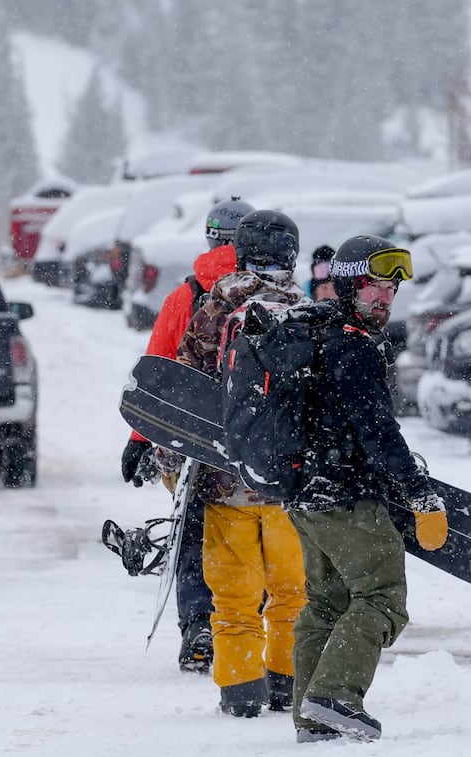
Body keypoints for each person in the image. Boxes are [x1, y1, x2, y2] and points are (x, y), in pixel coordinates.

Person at [285, 234, 448, 743]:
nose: (385, 297)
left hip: (304, 495)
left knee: (327, 603)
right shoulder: (352, 347)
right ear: (351, 283)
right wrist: (418, 492)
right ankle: (335, 696)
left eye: (392, 289)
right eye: (375, 285)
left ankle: (312, 716)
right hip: (345, 497)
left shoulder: (316, 334)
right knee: (382, 598)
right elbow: (378, 432)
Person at [162, 209, 309, 718]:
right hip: (288, 486)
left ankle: (241, 693)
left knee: (234, 601)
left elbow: (183, 388)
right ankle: (287, 685)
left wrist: (168, 460)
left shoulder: (214, 307)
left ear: (240, 251)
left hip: (225, 483)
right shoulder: (308, 311)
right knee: (293, 594)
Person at [119, 196, 255, 673]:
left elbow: (156, 373)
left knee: (196, 533)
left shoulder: (185, 297)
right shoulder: (278, 294)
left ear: (211, 239)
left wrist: (139, 442)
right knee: (255, 535)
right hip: (256, 444)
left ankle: (200, 623)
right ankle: (249, 623)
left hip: (192, 443)